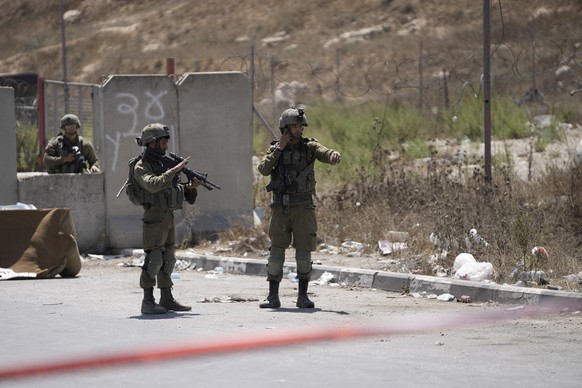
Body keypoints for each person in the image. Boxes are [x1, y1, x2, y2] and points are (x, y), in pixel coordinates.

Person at [257, 107, 342, 309]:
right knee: (276, 252)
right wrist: (279, 149)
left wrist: (332, 155)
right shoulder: (276, 149)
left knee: (304, 253)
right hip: (281, 207)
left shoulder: (309, 146)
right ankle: (272, 296)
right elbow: (263, 169)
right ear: (285, 128)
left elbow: (323, 151)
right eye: (294, 126)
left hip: (303, 206)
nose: (298, 129)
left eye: (300, 126)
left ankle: (302, 296)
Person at [133, 123, 200, 314]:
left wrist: (190, 188)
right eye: (162, 142)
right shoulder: (141, 166)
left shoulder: (164, 162)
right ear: (151, 143)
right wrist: (175, 170)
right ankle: (147, 301)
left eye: (166, 141)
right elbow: (153, 185)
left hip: (168, 215)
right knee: (154, 259)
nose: (165, 145)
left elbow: (172, 188)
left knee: (168, 259)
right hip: (154, 216)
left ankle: (167, 298)